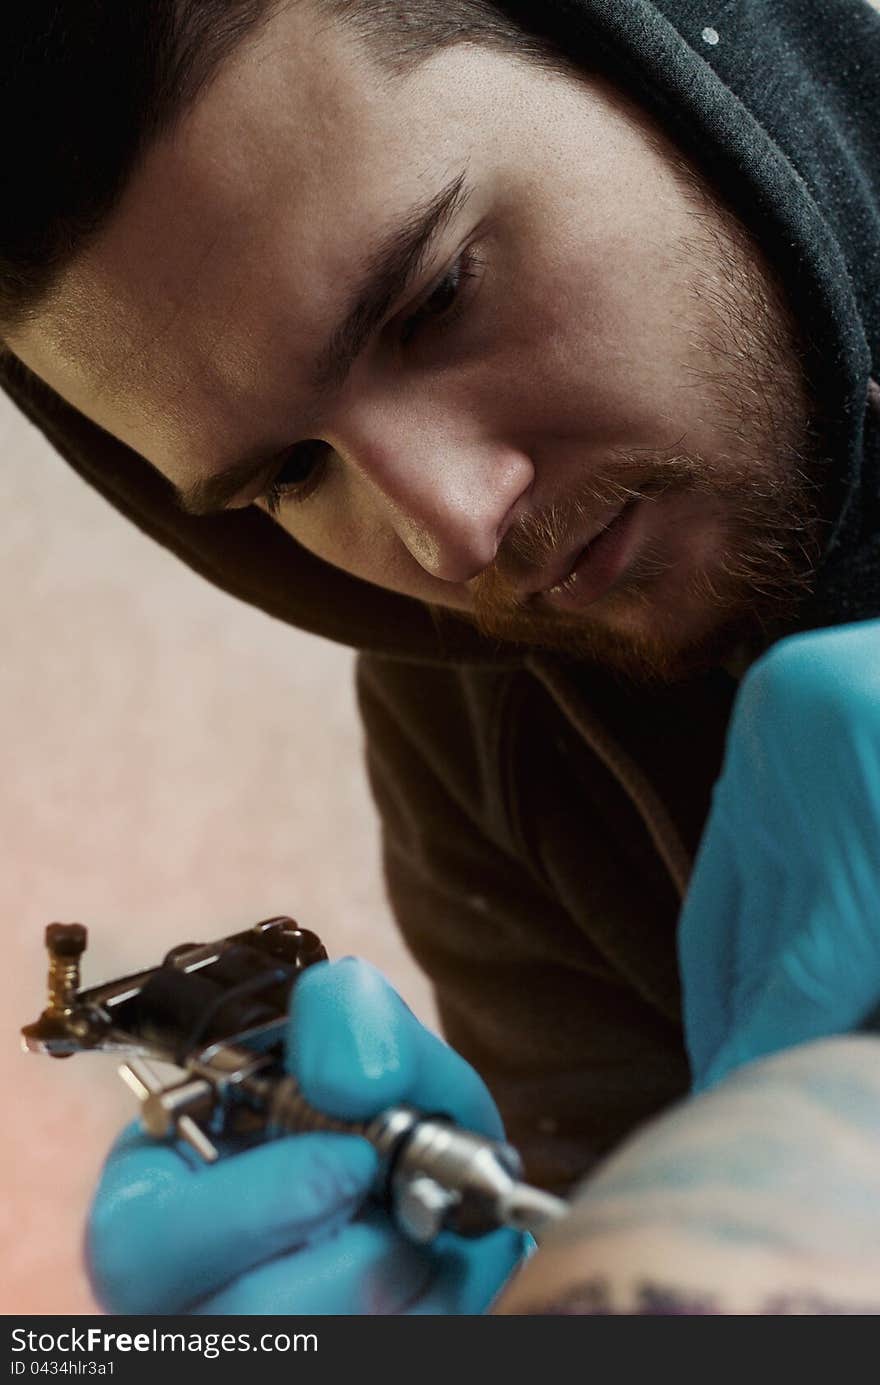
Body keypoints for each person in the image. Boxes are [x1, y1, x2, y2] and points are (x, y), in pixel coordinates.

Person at [2, 0, 879, 1313]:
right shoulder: (485, 734)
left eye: (436, 298)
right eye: (294, 471)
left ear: (666, 62)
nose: (454, 531)